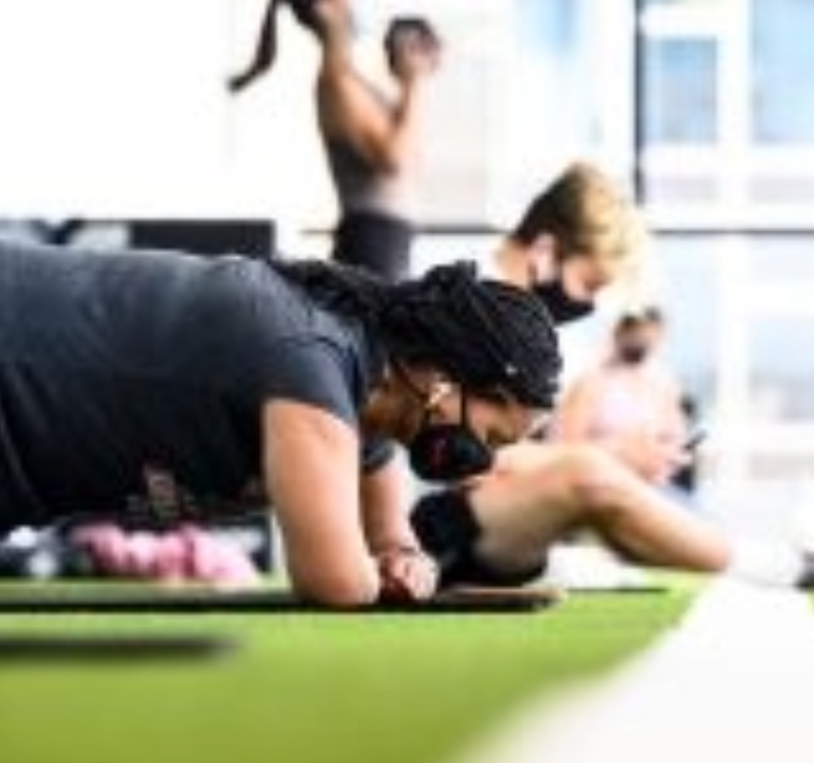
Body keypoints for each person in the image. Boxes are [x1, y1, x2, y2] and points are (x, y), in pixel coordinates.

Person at [410, 162, 814, 593]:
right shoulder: (467, 300)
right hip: (427, 527)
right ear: (544, 248)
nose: (585, 304)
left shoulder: (519, 319)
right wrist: (612, 456)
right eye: (588, 284)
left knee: (599, 481)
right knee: (588, 474)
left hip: (477, 519)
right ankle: (798, 569)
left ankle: (792, 563)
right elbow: (460, 460)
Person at [0, 240, 560, 608]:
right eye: (489, 437)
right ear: (446, 375)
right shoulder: (311, 364)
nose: (479, 461)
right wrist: (376, 576)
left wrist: (408, 564)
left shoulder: (367, 419)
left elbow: (392, 539)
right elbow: (336, 583)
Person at [228, 0, 441, 281]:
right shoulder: (336, 83)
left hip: (388, 241)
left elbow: (402, 146)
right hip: (371, 244)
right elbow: (394, 160)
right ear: (324, 7)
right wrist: (413, 85)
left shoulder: (352, 80)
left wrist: (412, 77)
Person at [550, 306, 690, 488]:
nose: (642, 337)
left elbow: (676, 435)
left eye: (649, 330)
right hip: (598, 487)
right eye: (634, 328)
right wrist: (620, 450)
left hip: (651, 488)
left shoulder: (664, 384)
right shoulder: (590, 383)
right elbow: (563, 449)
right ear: (619, 331)